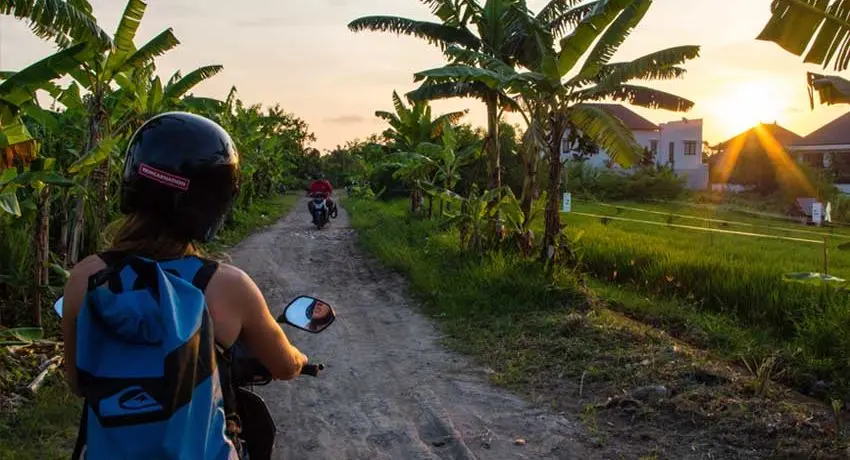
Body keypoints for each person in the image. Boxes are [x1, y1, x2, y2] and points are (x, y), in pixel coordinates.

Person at [61, 112, 309, 459]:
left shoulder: (86, 278)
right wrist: (300, 359)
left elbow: (77, 383)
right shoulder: (229, 286)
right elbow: (283, 366)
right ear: (213, 204)